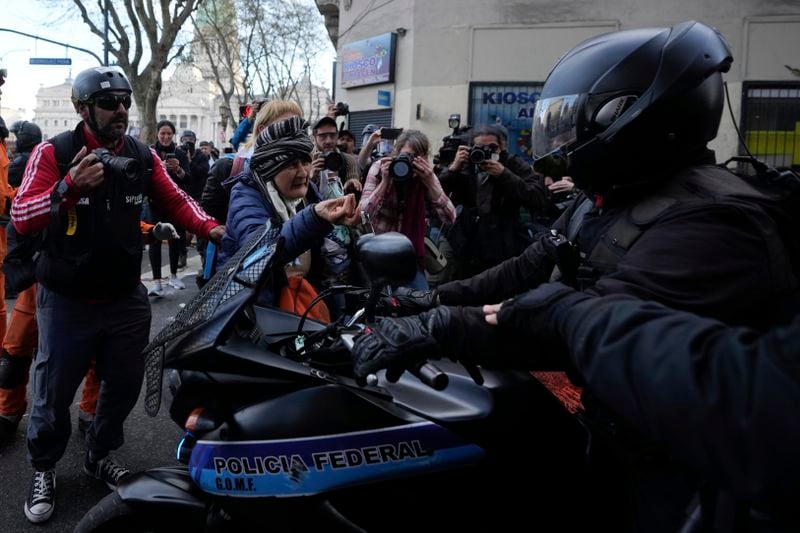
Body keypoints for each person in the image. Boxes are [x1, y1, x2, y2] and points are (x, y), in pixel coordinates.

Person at [351, 21, 799, 532]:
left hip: (687, 467)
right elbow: (527, 268)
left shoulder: (713, 220)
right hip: (613, 425)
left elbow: (585, 323)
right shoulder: (610, 195)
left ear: (633, 118)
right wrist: (426, 302)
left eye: (575, 124)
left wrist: (442, 328)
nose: (563, 140)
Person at [11, 66, 224, 524]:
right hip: (66, 300)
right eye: (109, 104)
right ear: (82, 109)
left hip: (125, 298)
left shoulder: (140, 155)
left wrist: (213, 228)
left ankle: (99, 453)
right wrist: (67, 189)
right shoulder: (55, 153)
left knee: (124, 384)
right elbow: (22, 215)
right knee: (52, 392)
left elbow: (176, 201)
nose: (121, 110)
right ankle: (44, 466)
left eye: (125, 101)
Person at [217, 115, 360, 317]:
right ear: (270, 168)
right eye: (292, 165)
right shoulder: (246, 195)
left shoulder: (309, 191)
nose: (303, 172)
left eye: (305, 162)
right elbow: (259, 249)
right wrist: (316, 218)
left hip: (301, 299)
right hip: (252, 310)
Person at [438, 124, 548, 278]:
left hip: (505, 243)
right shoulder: (465, 166)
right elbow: (436, 195)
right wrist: (452, 169)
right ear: (470, 148)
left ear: (501, 147)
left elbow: (537, 197)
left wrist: (504, 174)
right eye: (480, 148)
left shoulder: (511, 163)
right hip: (469, 243)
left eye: (492, 147)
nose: (486, 152)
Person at [358, 130, 456, 289]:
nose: (409, 162)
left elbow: (450, 217)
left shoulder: (425, 175)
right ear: (395, 154)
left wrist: (430, 182)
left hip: (409, 255)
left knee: (421, 302)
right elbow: (362, 214)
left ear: (424, 158)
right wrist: (385, 183)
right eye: (406, 155)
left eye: (415, 157)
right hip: (378, 251)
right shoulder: (381, 168)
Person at [149, 119, 190, 295]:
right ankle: (157, 280)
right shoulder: (150, 152)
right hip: (155, 203)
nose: (165, 137)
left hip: (174, 203)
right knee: (155, 240)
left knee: (175, 238)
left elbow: (187, 178)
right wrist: (161, 169)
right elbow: (145, 176)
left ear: (173, 135)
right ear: (157, 134)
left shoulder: (180, 153)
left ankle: (173, 275)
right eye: (162, 133)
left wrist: (178, 170)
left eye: (169, 134)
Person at [8, 121, 43, 188]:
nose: (16, 141)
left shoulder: (22, 161)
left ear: (24, 138)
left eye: (18, 138)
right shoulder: (39, 155)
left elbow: (5, 180)